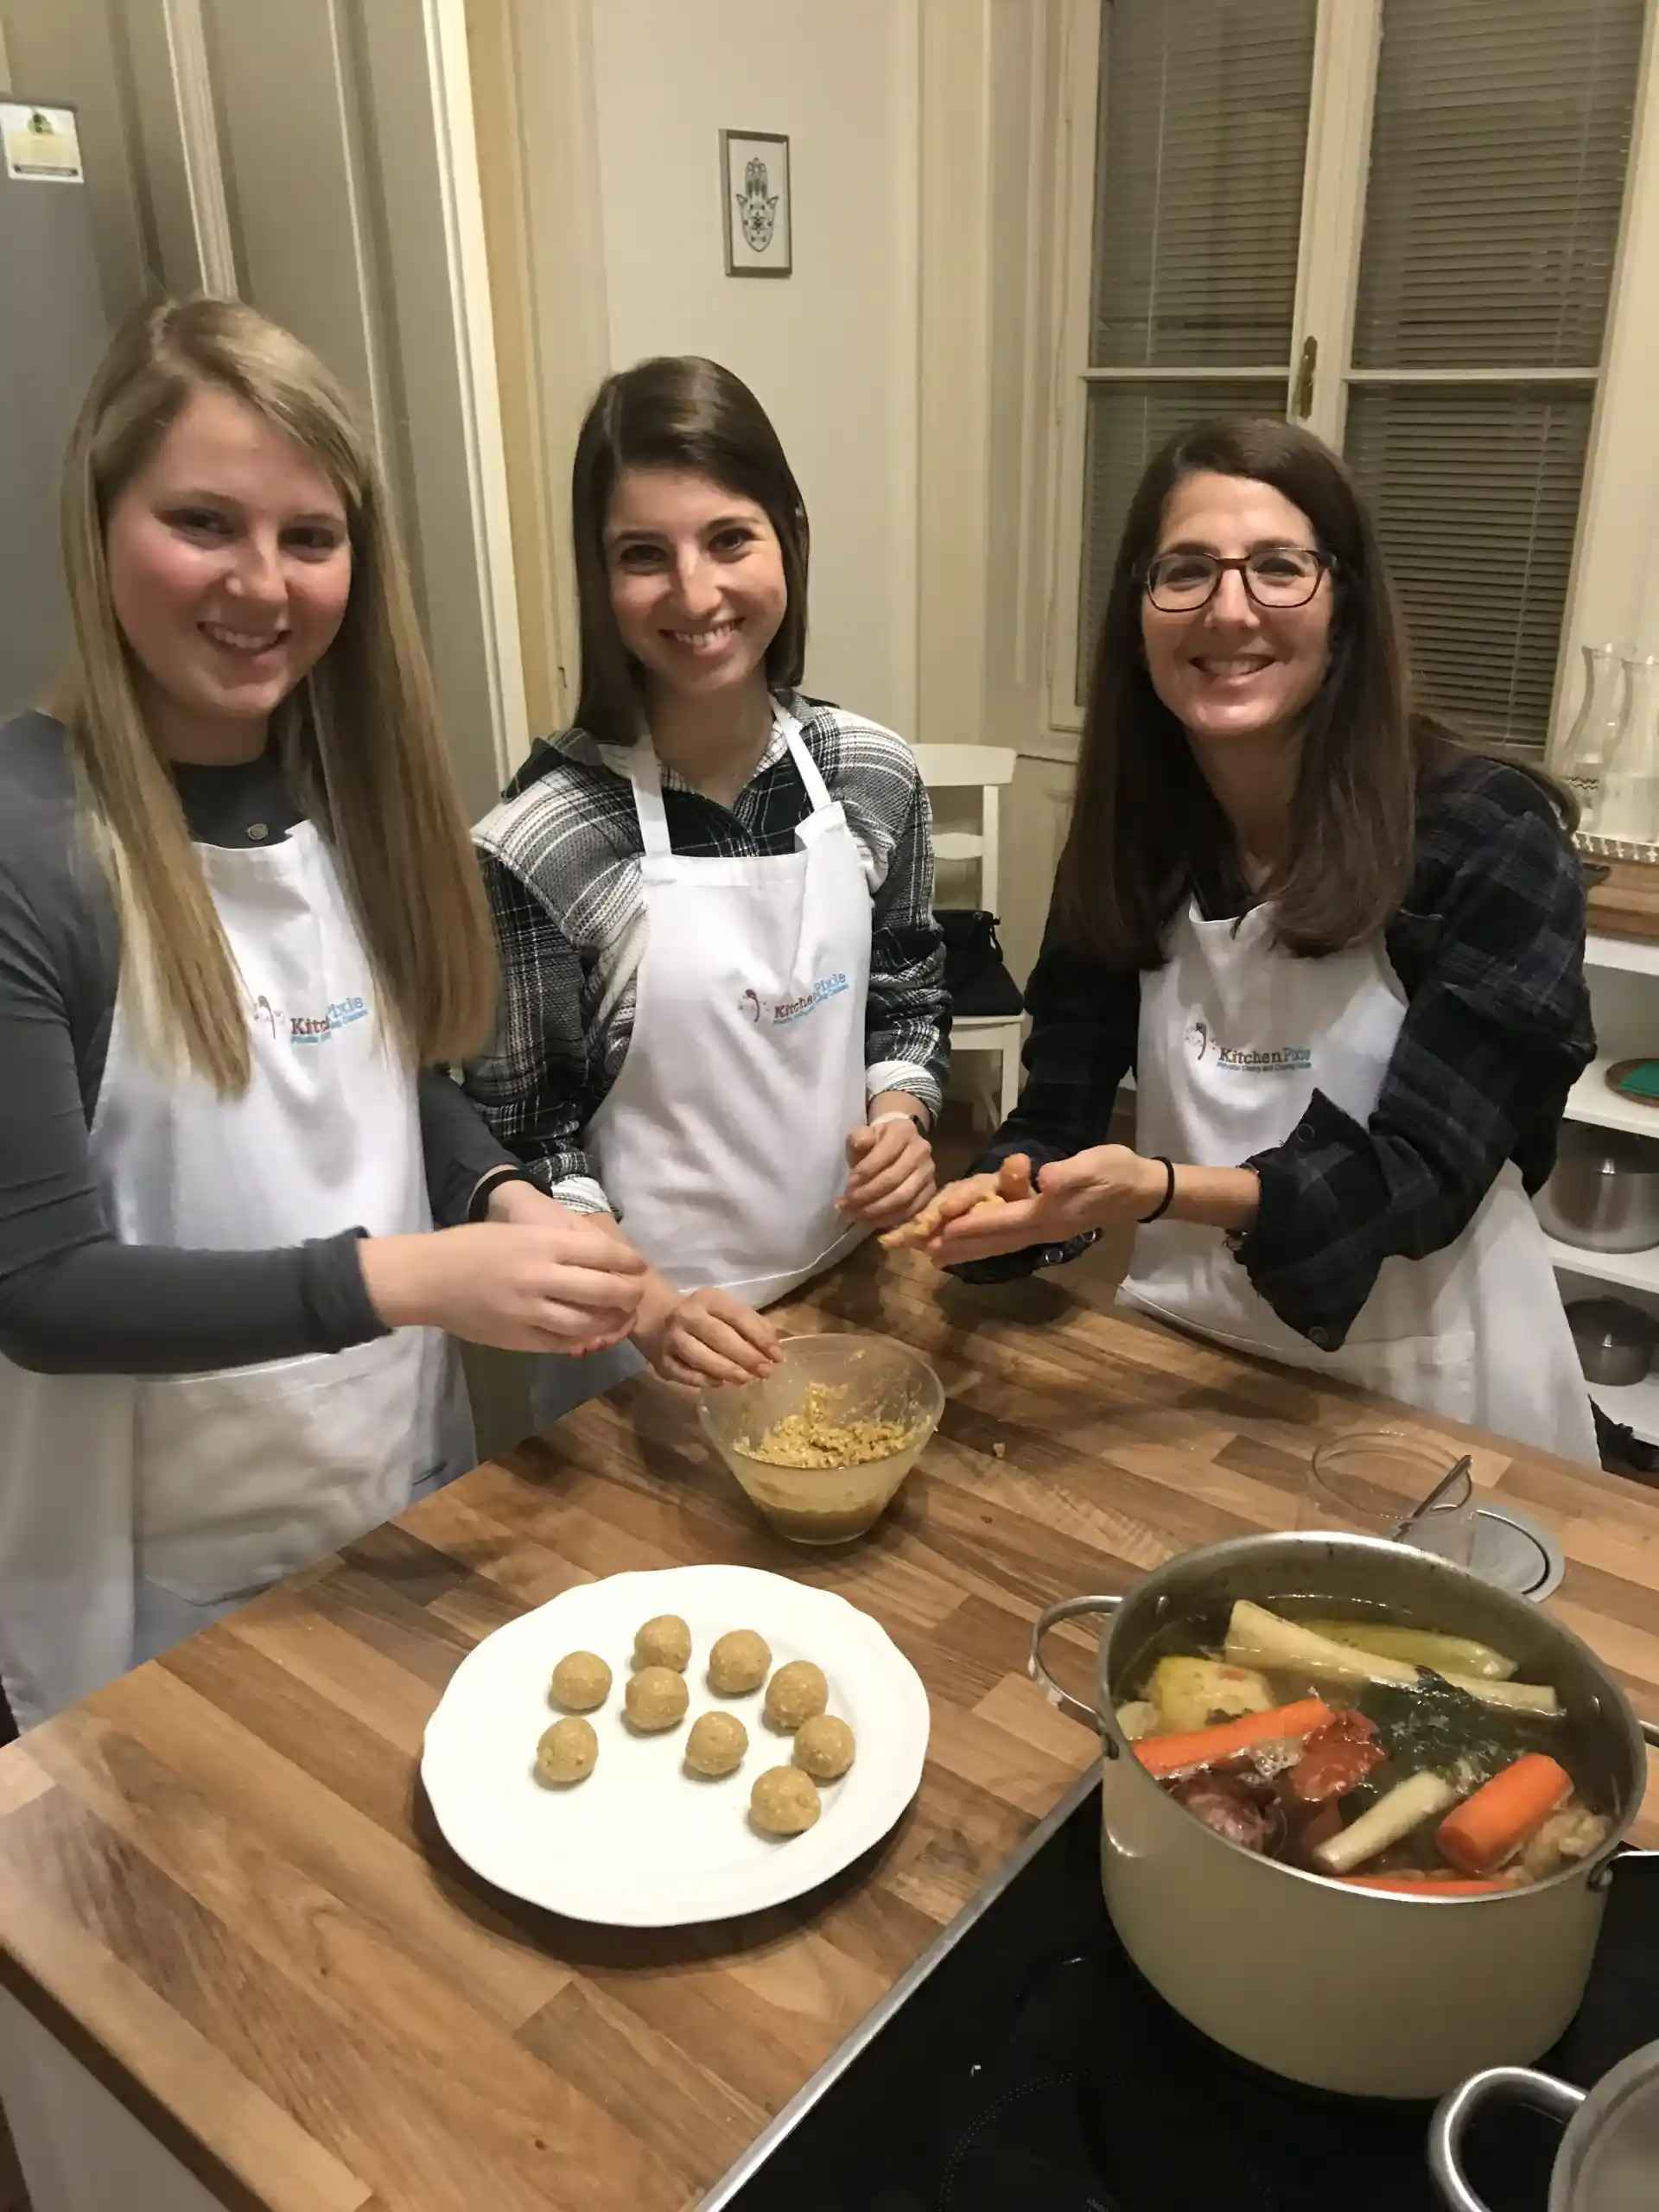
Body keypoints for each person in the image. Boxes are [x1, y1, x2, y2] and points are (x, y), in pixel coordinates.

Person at [0, 298, 649, 1732]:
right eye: (202, 523)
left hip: (391, 1497)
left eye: (310, 537)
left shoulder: (355, 797)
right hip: (153, 1585)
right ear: (99, 520)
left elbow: (375, 1077)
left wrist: (494, 1194)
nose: (261, 583)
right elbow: (39, 1291)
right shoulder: (30, 841)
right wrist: (412, 1280)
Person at [912, 417, 1597, 1465]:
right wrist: (1012, 1195)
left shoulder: (1485, 835)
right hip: (1189, 1362)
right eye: (1184, 571)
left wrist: (1166, 1188)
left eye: (1277, 567)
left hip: (1433, 1385)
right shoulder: (1131, 843)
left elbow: (1424, 1174)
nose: (1229, 610)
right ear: (1137, 617)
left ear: (1346, 606)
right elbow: (1059, 1115)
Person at [466, 356, 949, 1408]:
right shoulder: (540, 842)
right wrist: (644, 1302)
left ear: (792, 537)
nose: (695, 593)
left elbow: (907, 995)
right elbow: (525, 1136)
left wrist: (905, 1116)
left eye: (730, 538)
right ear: (600, 582)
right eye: (644, 556)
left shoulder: (872, 774)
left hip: (850, 1290)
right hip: (635, 1345)